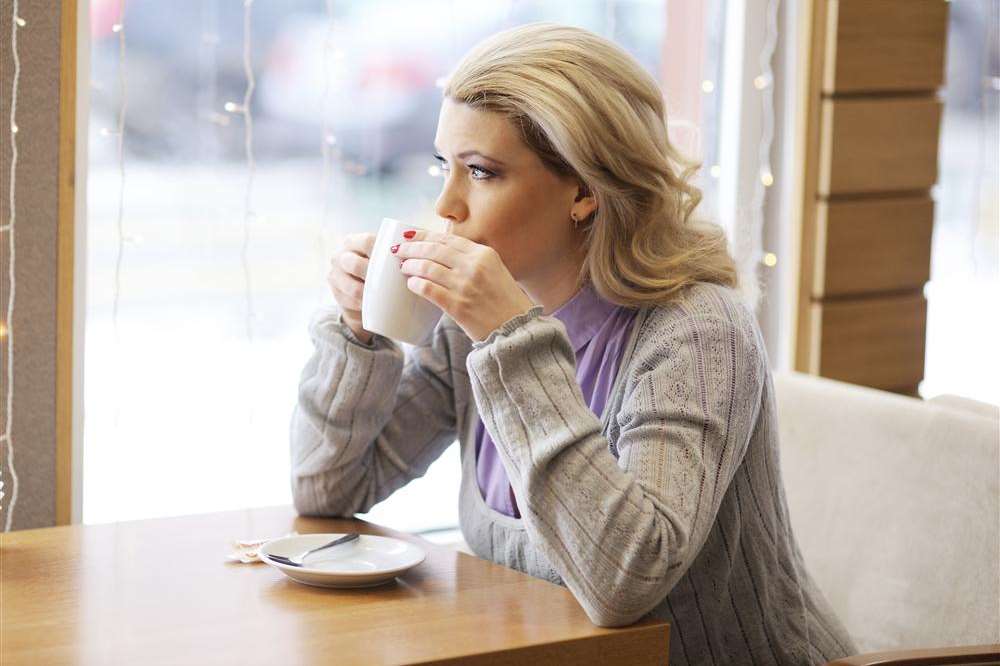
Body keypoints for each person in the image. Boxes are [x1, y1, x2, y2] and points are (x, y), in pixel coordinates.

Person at [290, 22, 856, 665]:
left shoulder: (697, 332)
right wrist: (357, 335)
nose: (445, 205)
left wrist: (508, 338)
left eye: (481, 172)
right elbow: (328, 491)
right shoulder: (465, 328)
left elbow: (623, 582)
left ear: (585, 190)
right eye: (443, 165)